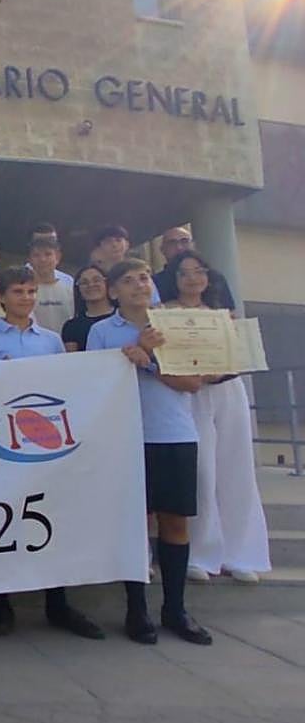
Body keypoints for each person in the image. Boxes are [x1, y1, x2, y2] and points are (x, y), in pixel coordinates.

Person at [0, 267, 106, 639]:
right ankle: (1, 605)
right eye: (18, 291)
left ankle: (58, 603)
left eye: (31, 291)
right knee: (4, 521)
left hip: (45, 445)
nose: (26, 298)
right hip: (2, 442)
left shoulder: (49, 340)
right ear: (0, 297)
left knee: (51, 521)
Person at [87, 258, 212, 645]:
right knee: (135, 523)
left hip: (173, 433)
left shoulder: (173, 324)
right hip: (125, 437)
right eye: (127, 280)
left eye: (143, 278)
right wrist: (133, 351)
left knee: (175, 523)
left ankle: (175, 609)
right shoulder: (101, 330)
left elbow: (193, 382)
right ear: (113, 291)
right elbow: (94, 383)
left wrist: (151, 363)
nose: (139, 285)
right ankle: (136, 609)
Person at [162, 251, 270, 584]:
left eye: (198, 272)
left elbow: (240, 355)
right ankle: (201, 552)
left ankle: (240, 553)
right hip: (189, 394)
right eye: (184, 273)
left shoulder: (224, 316)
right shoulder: (166, 314)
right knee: (201, 472)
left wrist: (221, 368)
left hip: (227, 391)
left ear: (208, 277)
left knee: (235, 468)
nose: (192, 279)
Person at [152, 227, 236, 308]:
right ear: (162, 249)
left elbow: (229, 312)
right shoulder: (154, 282)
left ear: (193, 245)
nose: (179, 247)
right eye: (172, 243)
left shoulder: (215, 277)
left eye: (184, 241)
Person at [61, 265, 114, 352]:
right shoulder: (72, 327)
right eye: (84, 282)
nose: (91, 285)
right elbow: (71, 361)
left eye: (96, 280)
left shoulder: (123, 317)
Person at [29, 237, 74, 334]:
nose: (42, 259)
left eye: (48, 254)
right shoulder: (25, 290)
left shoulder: (70, 284)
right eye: (36, 255)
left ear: (57, 257)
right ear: (30, 260)